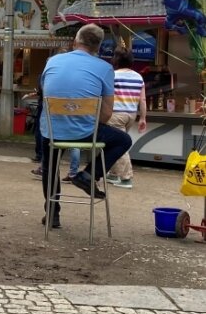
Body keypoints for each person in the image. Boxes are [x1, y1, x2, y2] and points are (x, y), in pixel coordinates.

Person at [39, 24, 132, 229]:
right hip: (86, 132)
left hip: (52, 131)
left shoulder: (52, 61)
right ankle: (89, 175)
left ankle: (53, 214)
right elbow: (106, 115)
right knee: (123, 139)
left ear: (75, 41)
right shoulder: (105, 68)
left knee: (49, 167)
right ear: (98, 47)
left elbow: (46, 93)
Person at [105, 47, 146, 188]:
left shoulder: (113, 75)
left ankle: (126, 178)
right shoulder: (138, 77)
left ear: (116, 59)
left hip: (116, 114)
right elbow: (143, 100)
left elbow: (106, 95)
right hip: (131, 115)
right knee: (116, 143)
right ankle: (113, 174)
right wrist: (143, 118)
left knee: (119, 145)